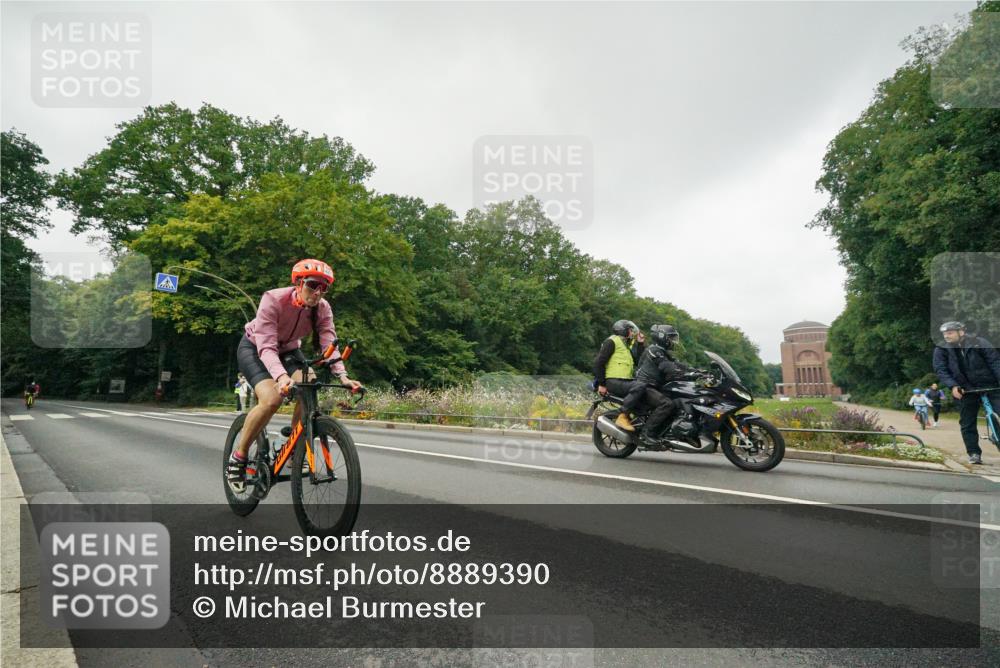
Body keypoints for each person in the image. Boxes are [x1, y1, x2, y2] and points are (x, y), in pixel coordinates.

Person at [228, 259, 362, 490]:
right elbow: (267, 347)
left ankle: (291, 445)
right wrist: (281, 378)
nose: (317, 292)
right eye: (312, 285)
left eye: (323, 288)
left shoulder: (322, 309)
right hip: (255, 348)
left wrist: (343, 376)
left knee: (310, 384)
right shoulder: (273, 299)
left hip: (289, 349)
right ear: (299, 283)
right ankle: (238, 458)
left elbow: (329, 343)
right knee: (272, 399)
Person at [932, 321, 1000, 465]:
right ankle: (974, 453)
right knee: (967, 422)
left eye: (950, 333)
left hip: (990, 385)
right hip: (965, 389)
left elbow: (995, 362)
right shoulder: (941, 349)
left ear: (961, 332)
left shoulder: (979, 342)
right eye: (944, 333)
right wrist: (953, 386)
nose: (946, 336)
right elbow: (941, 370)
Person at [633, 324, 703, 446]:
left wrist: (698, 371)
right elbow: (667, 367)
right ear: (662, 337)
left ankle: (668, 431)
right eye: (671, 338)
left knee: (677, 401)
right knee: (666, 404)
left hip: (656, 387)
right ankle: (647, 433)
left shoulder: (662, 352)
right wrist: (689, 374)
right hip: (645, 386)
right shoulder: (653, 350)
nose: (673, 341)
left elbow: (677, 364)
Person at [593, 319, 645, 431]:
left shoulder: (626, 346)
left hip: (625, 381)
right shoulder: (612, 342)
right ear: (623, 331)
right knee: (639, 386)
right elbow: (598, 362)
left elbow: (638, 361)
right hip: (613, 382)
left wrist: (640, 344)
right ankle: (622, 415)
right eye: (631, 331)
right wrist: (602, 384)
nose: (633, 333)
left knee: (646, 389)